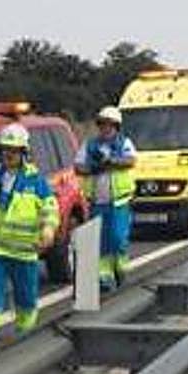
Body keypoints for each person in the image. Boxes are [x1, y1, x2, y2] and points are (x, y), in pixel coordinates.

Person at [0, 123, 59, 351]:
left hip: (23, 251)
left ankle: (25, 329)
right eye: (5, 149)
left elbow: (49, 209)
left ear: (24, 153)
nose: (9, 154)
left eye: (14, 150)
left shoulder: (36, 181)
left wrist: (48, 230)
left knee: (25, 296)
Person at [74, 106, 137, 290]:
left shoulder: (124, 143)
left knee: (117, 237)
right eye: (102, 124)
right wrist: (93, 167)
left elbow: (131, 160)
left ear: (116, 127)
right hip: (97, 202)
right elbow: (78, 166)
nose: (105, 128)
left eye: (109, 125)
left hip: (119, 201)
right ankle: (104, 276)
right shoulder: (89, 145)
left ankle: (120, 267)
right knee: (101, 240)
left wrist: (112, 161)